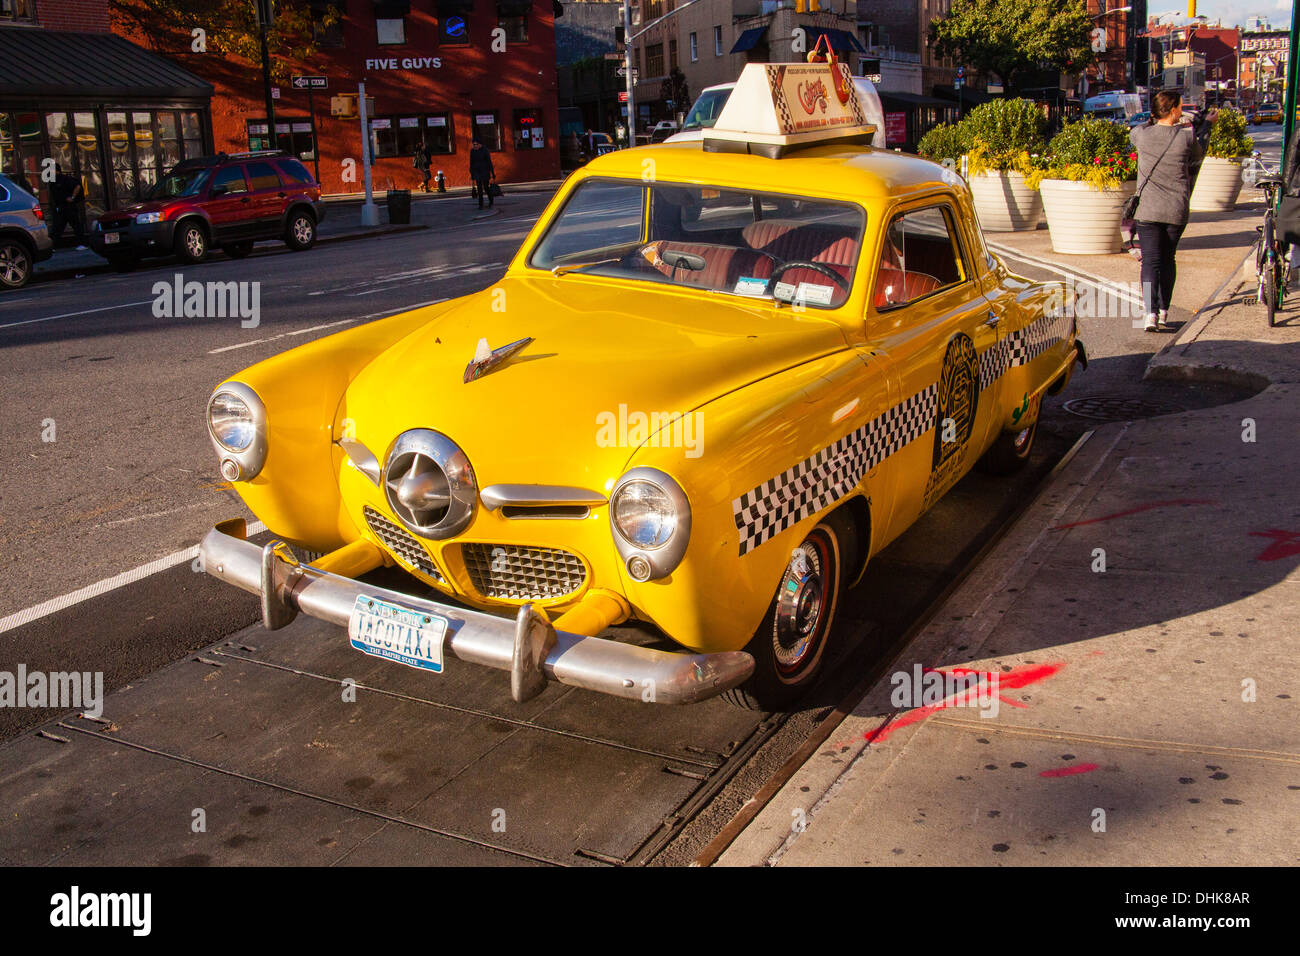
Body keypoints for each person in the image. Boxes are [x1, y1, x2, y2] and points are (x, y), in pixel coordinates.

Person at [1129, 91, 1214, 332]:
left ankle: (1150, 314)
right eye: (1178, 106)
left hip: (1147, 209)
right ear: (1175, 109)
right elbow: (1199, 154)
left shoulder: (1141, 135)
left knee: (1150, 262)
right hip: (1176, 208)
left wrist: (1153, 118)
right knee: (1168, 259)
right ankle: (1164, 310)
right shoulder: (1186, 136)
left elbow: (1137, 128)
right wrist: (1205, 124)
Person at [48, 163, 87, 248]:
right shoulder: (53, 181)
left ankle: (81, 244)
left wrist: (72, 197)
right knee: (57, 227)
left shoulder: (64, 179)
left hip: (69, 207)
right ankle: (52, 246)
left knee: (75, 225)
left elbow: (77, 186)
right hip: (61, 207)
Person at [469, 138, 495, 209]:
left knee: (486, 187)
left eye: (476, 144)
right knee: (479, 189)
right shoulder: (472, 151)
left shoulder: (485, 150)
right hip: (477, 172)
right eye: (473, 144)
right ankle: (481, 204)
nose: (475, 146)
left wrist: (492, 173)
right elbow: (471, 162)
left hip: (485, 171)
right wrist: (472, 173)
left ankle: (491, 200)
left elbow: (489, 162)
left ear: (480, 144)